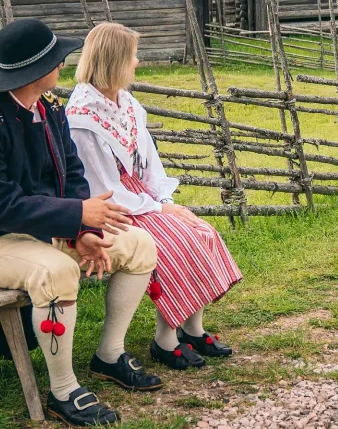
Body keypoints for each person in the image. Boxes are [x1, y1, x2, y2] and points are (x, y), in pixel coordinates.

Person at [0, 18, 162, 427]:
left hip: (46, 229)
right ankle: (63, 391)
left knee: (138, 244)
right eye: (56, 59)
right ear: (35, 71)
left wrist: (83, 230)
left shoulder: (50, 108)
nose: (64, 64)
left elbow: (71, 174)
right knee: (56, 271)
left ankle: (109, 354)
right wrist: (74, 216)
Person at [66, 22, 243, 371]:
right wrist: (157, 210)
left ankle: (192, 329)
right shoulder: (82, 118)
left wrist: (165, 202)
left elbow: (149, 164)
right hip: (113, 206)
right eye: (132, 56)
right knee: (176, 243)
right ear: (115, 60)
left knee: (201, 232)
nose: (137, 62)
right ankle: (165, 339)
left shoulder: (126, 103)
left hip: (142, 197)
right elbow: (104, 186)